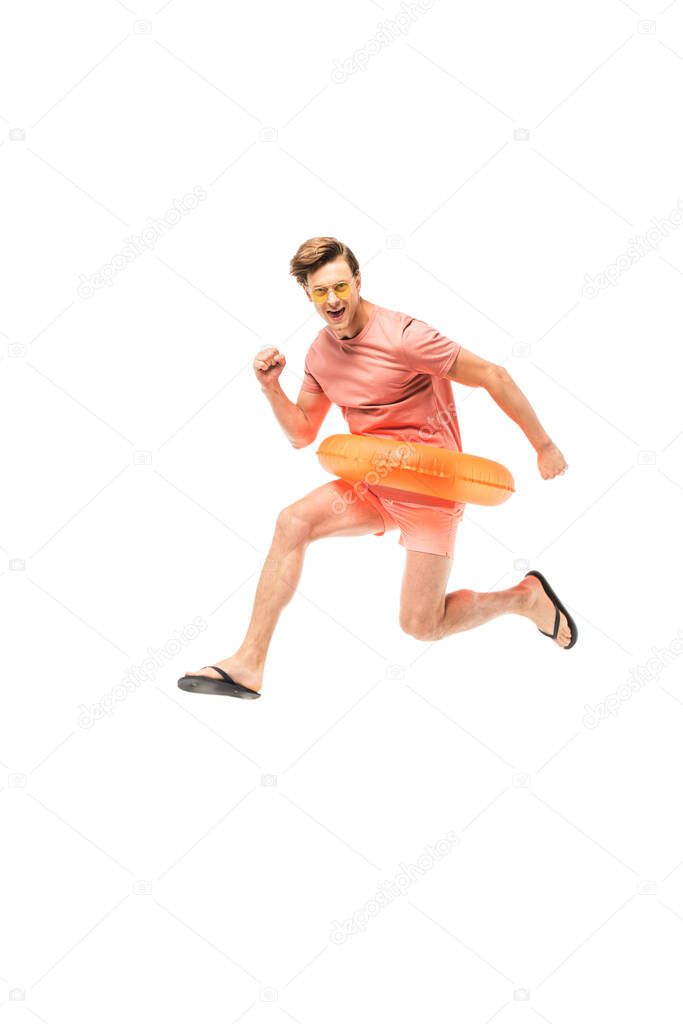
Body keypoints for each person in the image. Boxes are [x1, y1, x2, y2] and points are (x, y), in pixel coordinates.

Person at [179, 236, 576, 700]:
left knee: (421, 625)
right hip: (369, 483)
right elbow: (303, 433)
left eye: (341, 287)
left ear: (358, 281)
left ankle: (524, 598)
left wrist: (544, 446)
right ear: (307, 294)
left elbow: (493, 376)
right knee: (292, 521)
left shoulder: (406, 337)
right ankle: (249, 663)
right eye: (321, 291)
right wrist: (271, 389)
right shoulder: (319, 354)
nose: (333, 300)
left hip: (430, 490)